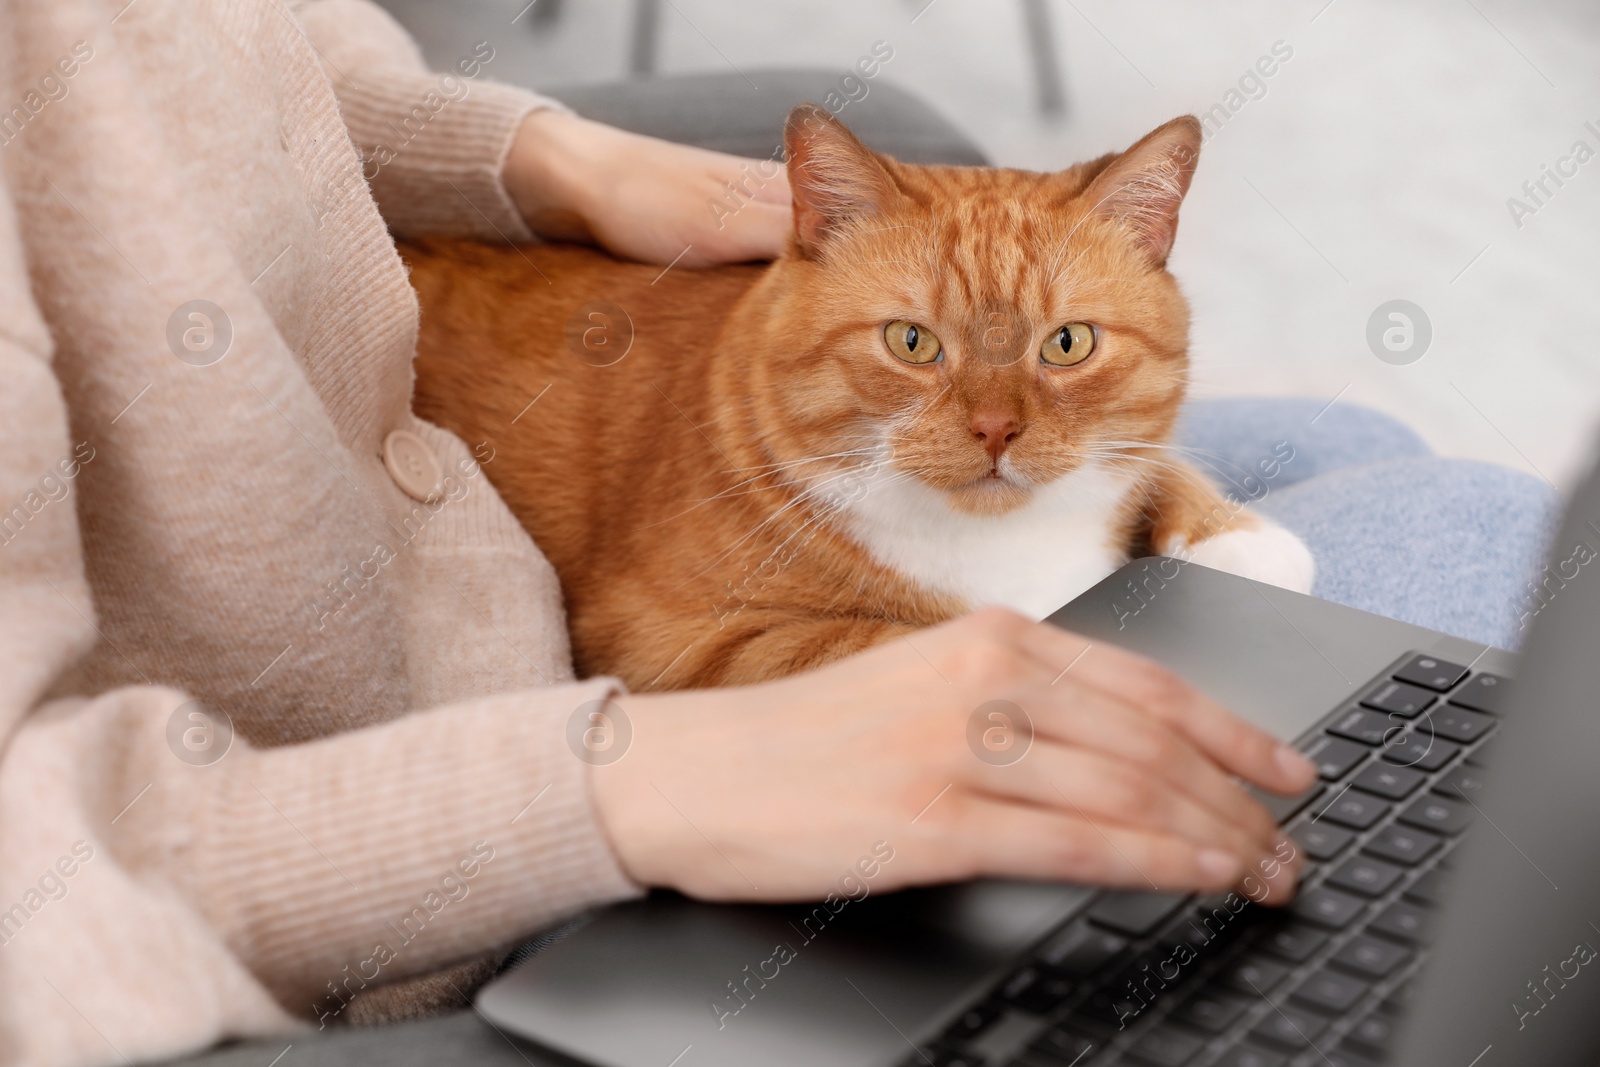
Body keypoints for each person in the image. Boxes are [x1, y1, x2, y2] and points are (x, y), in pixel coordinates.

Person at [0, 2, 1556, 1064]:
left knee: (1353, 466)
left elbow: (208, 55)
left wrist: (533, 154)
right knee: (1468, 527)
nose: (1002, 417)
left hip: (419, 408)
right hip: (418, 806)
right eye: (940, 360)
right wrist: (628, 789)